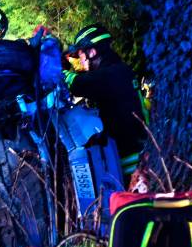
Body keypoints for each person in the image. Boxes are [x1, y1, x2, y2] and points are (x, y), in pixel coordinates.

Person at [62, 25, 147, 177]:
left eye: (80, 55)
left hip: (132, 162)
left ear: (92, 52)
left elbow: (78, 84)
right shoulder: (119, 70)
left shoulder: (111, 74)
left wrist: (54, 71)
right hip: (136, 153)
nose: (80, 62)